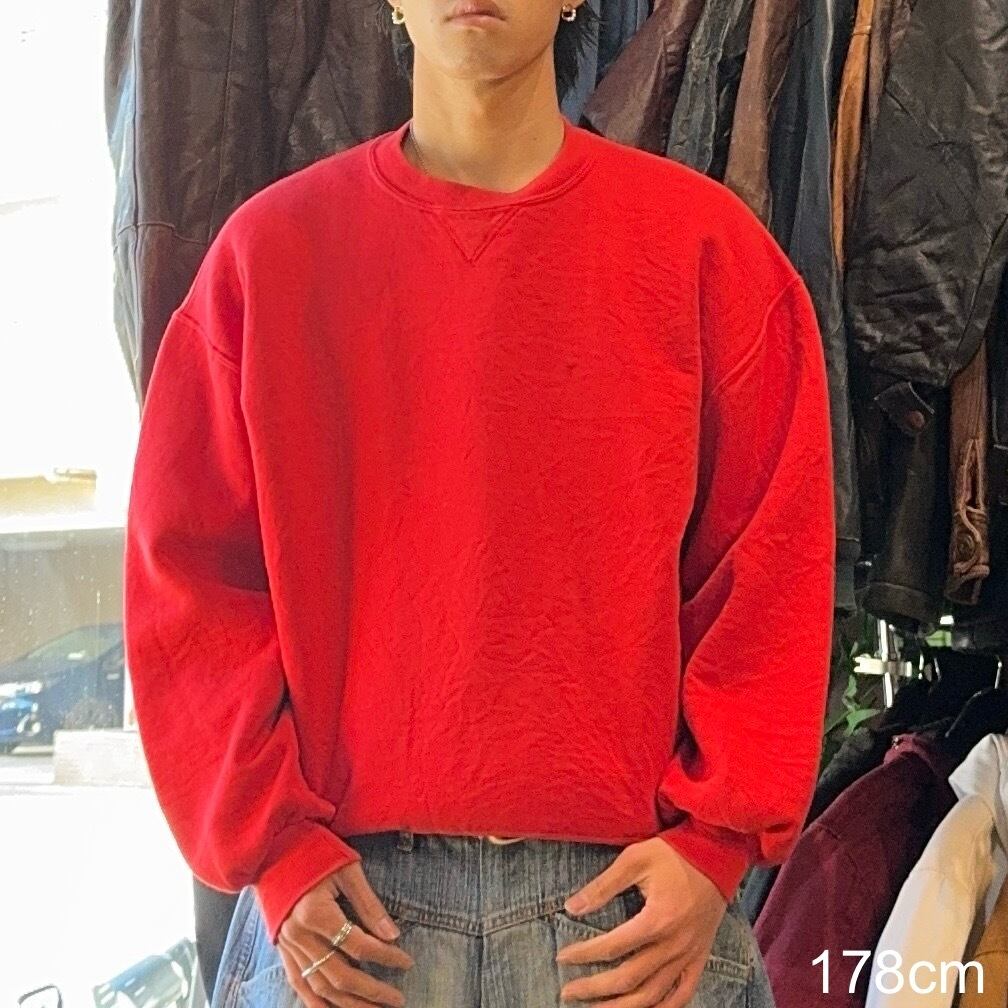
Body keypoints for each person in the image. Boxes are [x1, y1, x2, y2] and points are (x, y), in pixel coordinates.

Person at [122, 1, 837, 1006]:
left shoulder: (708, 251)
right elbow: (187, 581)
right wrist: (274, 849)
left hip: (629, 913)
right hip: (348, 912)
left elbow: (772, 565)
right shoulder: (268, 257)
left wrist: (716, 843)